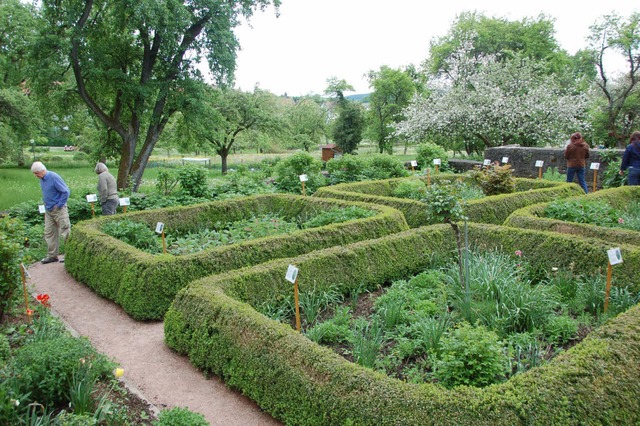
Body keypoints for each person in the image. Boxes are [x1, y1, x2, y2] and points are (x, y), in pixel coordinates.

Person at [31, 161, 71, 264]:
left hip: (59, 210)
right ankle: (52, 255)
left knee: (66, 231)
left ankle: (70, 255)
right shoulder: (42, 179)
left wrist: (59, 205)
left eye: (36, 173)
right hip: (48, 210)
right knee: (49, 232)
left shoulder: (54, 177)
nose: (36, 176)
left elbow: (66, 191)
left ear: (42, 171)